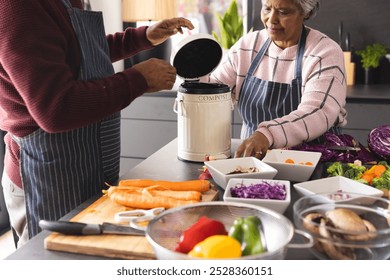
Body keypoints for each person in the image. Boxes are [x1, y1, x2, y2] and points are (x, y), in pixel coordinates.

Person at [0, 0, 194, 247]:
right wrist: (138, 79)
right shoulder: (19, 6)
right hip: (46, 177)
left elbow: (79, 53)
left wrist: (143, 37)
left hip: (86, 167)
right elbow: (56, 108)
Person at [204, 0, 347, 158]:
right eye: (267, 9)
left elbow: (317, 112)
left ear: (305, 13)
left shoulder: (324, 52)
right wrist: (185, 71)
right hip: (251, 159)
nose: (271, 19)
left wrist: (266, 135)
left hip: (313, 159)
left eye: (283, 12)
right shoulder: (247, 46)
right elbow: (211, 95)